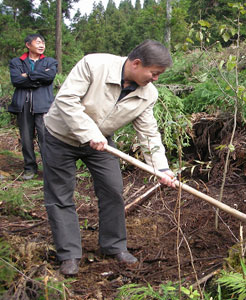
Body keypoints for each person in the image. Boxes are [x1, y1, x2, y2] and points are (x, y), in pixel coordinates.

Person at [43, 40, 177, 276]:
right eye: (154, 73)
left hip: (101, 144)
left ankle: (113, 246)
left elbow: (148, 132)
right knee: (60, 195)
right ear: (137, 64)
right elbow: (66, 100)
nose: (156, 79)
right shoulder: (94, 65)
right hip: (60, 137)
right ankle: (69, 255)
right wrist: (89, 133)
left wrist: (161, 168)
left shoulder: (148, 94)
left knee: (113, 190)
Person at [9, 34, 58, 180]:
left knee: (45, 137)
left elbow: (49, 78)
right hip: (23, 105)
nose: (42, 45)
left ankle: (49, 169)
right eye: (38, 42)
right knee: (26, 138)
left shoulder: (50, 61)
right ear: (28, 45)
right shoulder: (17, 62)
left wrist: (27, 76)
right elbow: (16, 80)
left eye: (43, 42)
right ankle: (30, 168)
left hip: (43, 105)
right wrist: (38, 77)